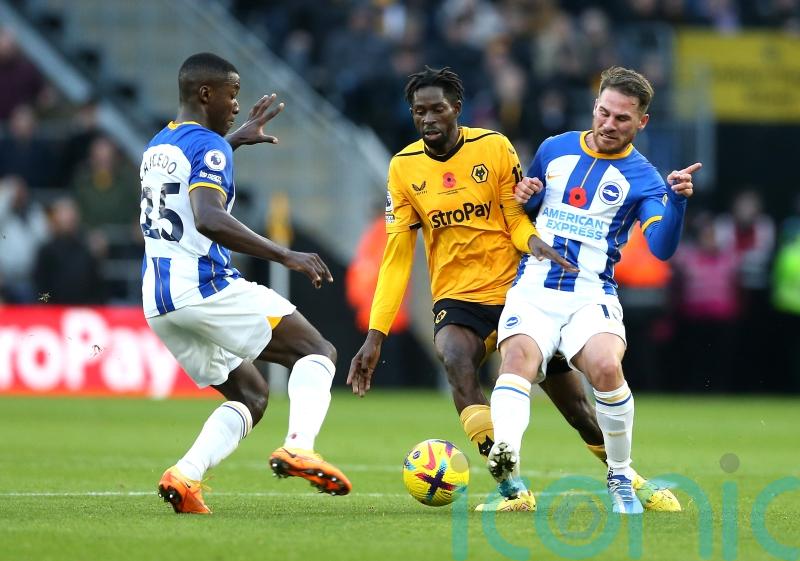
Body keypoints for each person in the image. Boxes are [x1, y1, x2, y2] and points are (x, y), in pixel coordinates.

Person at [346, 66, 679, 512]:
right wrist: (376, 333)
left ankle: (626, 475)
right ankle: (511, 486)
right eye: (419, 111)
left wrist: (533, 240)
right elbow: (397, 256)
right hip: (458, 296)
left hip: (517, 285)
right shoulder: (404, 169)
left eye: (438, 109)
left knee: (577, 409)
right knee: (456, 360)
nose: (429, 119)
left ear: (456, 111)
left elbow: (519, 214)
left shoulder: (495, 148)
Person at [142, 53, 351, 515]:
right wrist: (286, 254)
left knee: (251, 395)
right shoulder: (209, 148)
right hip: (205, 287)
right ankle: (299, 447)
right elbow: (209, 218)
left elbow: (189, 180)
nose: (236, 104)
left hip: (160, 302)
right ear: (205, 94)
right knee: (317, 351)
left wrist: (232, 141)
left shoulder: (159, 143)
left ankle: (184, 476)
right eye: (231, 94)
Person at [494, 66, 701, 514]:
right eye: (603, 113)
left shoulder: (645, 178)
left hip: (591, 294)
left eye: (622, 119)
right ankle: (506, 462)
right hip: (533, 289)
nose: (609, 124)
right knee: (517, 361)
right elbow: (526, 210)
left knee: (607, 368)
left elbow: (662, 248)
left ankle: (620, 475)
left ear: (641, 122)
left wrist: (678, 202)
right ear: (594, 107)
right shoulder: (555, 149)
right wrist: (526, 193)